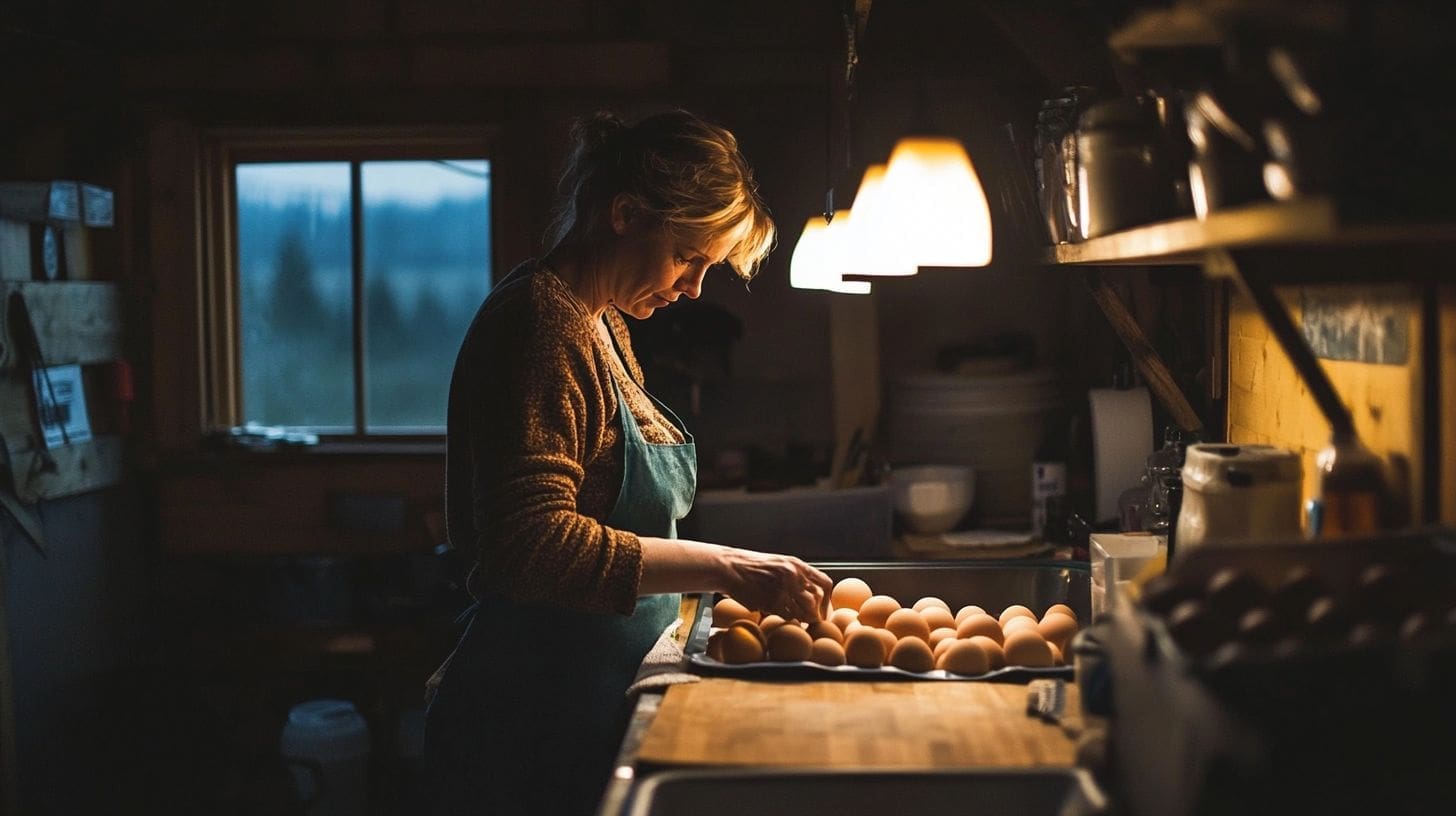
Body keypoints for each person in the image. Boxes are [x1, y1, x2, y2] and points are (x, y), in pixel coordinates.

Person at [423, 109, 833, 816]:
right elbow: (531, 547)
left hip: (594, 696)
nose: (694, 288)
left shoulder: (602, 321)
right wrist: (730, 566)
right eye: (687, 257)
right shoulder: (539, 326)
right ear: (625, 215)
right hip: (534, 717)